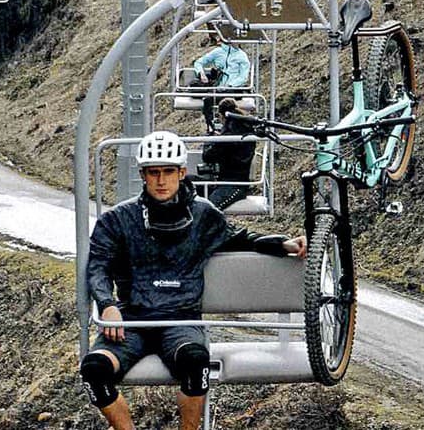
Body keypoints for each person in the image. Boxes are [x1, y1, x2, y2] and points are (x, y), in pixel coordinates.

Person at [80, 131, 306, 430]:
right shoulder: (119, 219)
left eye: (168, 172)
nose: (161, 181)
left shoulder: (203, 215)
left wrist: (282, 244)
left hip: (181, 319)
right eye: (154, 173)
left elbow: (240, 239)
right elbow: (97, 266)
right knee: (94, 369)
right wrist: (107, 304)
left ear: (182, 172)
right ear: (143, 175)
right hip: (133, 319)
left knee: (195, 359)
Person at [198, 98, 256, 210]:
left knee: (209, 211)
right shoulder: (244, 130)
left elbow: (207, 156)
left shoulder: (228, 137)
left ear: (222, 116)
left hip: (232, 185)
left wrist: (210, 140)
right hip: (233, 183)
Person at [191, 35, 251, 132]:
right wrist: (201, 73)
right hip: (218, 87)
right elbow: (199, 62)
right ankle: (210, 125)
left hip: (232, 89)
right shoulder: (218, 52)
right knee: (207, 97)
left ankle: (227, 126)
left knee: (218, 100)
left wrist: (231, 85)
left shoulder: (242, 56)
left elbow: (243, 77)